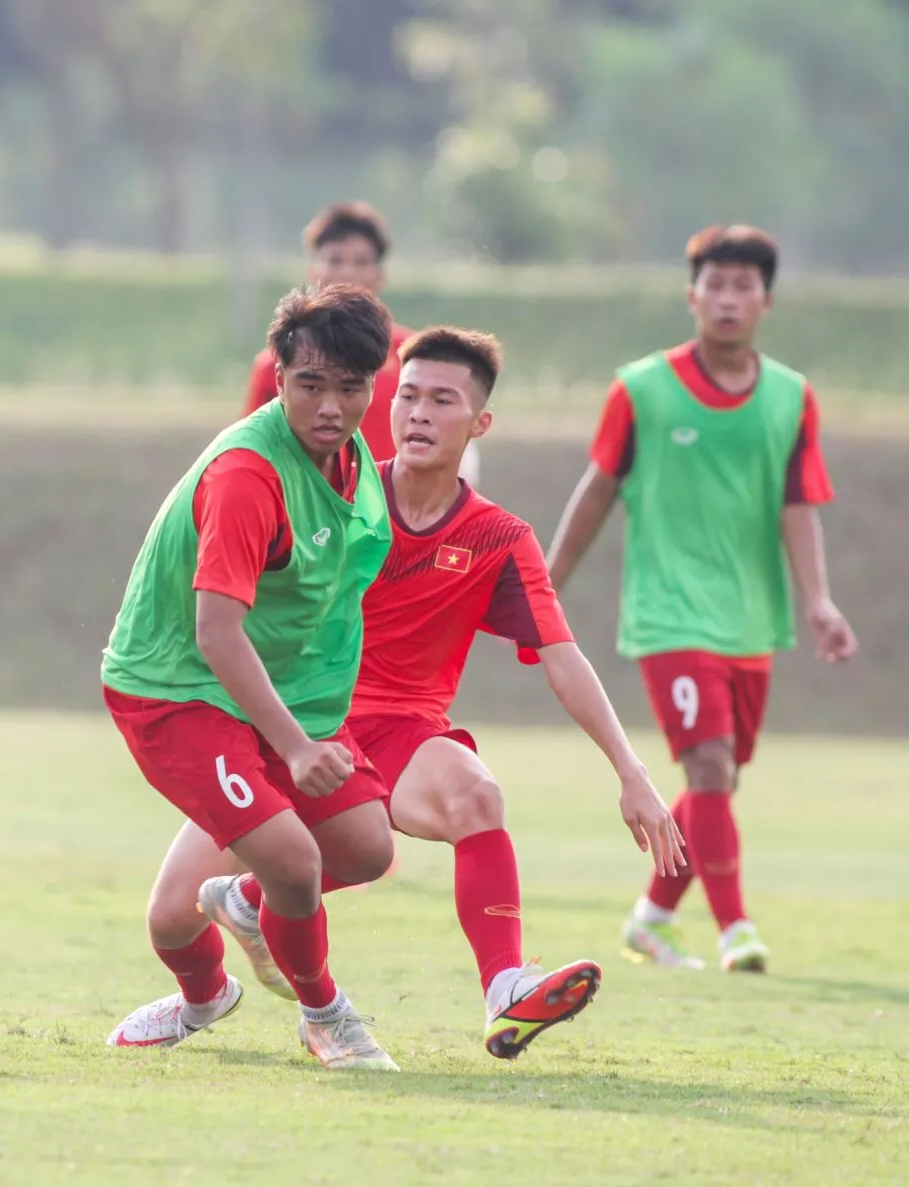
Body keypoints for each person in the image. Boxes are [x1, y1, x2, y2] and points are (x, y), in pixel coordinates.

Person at [116, 327, 684, 1061]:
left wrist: (630, 771)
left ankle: (504, 986)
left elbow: (564, 656)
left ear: (479, 424)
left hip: (403, 734)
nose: (417, 412)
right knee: (170, 919)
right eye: (407, 395)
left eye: (442, 400)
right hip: (293, 722)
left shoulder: (499, 538)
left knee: (476, 795)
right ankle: (203, 995)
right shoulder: (336, 497)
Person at [102, 284, 401, 1071]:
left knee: (366, 848)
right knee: (295, 863)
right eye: (311, 385)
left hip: (277, 694)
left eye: (351, 387)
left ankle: (243, 907)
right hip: (178, 690)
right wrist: (298, 746)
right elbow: (216, 630)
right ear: (278, 379)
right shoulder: (247, 474)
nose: (332, 406)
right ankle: (319, 1013)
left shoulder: (352, 456)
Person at [545, 225, 855, 973]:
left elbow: (797, 504)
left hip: (751, 619)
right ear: (692, 296)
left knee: (716, 778)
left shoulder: (791, 396)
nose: (726, 298)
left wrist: (819, 599)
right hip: (668, 614)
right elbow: (598, 490)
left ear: (765, 300)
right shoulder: (642, 387)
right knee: (711, 768)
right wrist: (544, 581)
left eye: (742, 285)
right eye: (713, 284)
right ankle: (735, 929)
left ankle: (651, 917)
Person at [241, 200, 480, 485]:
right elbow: (253, 453)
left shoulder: (418, 358)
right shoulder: (277, 364)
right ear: (312, 270)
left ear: (379, 275)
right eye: (334, 260)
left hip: (395, 518)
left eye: (361, 262)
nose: (346, 273)